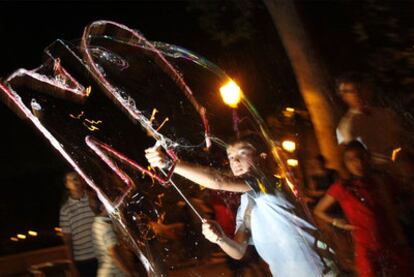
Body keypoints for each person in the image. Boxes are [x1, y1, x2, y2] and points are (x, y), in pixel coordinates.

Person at [145, 136, 337, 276]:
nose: (234, 160)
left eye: (242, 153)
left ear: (262, 157)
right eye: (230, 156)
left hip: (322, 272)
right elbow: (238, 251)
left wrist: (171, 164)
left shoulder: (271, 182)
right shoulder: (247, 204)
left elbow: (218, 180)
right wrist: (219, 238)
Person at [314, 141, 413, 276]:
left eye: (361, 157)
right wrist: (336, 222)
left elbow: (399, 203)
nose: (358, 163)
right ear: (345, 163)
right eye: (351, 160)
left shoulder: (381, 180)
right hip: (366, 249)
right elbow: (318, 210)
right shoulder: (342, 188)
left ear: (367, 157)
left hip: (391, 243)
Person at [335, 72, 402, 167]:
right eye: (351, 92)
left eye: (360, 89)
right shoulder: (345, 126)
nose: (357, 94)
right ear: (344, 97)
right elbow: (353, 157)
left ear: (369, 91)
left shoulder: (387, 114)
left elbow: (399, 140)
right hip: (374, 173)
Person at [88, 193, 138, 277]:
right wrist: (129, 272)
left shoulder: (97, 223)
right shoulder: (106, 227)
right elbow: (113, 252)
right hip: (113, 273)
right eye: (109, 202)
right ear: (102, 207)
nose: (113, 203)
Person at [59, 172, 97, 276]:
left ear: (82, 180)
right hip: (82, 260)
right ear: (66, 185)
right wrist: (72, 265)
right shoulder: (65, 209)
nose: (74, 182)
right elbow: (67, 240)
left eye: (76, 178)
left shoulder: (93, 198)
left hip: (102, 254)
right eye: (70, 180)